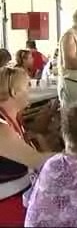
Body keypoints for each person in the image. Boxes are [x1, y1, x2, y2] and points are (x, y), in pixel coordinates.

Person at [0, 67, 53, 226]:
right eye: (28, 85)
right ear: (15, 92)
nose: (31, 90)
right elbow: (38, 161)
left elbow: (28, 141)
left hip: (23, 192)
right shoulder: (2, 129)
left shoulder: (12, 116)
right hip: (8, 204)